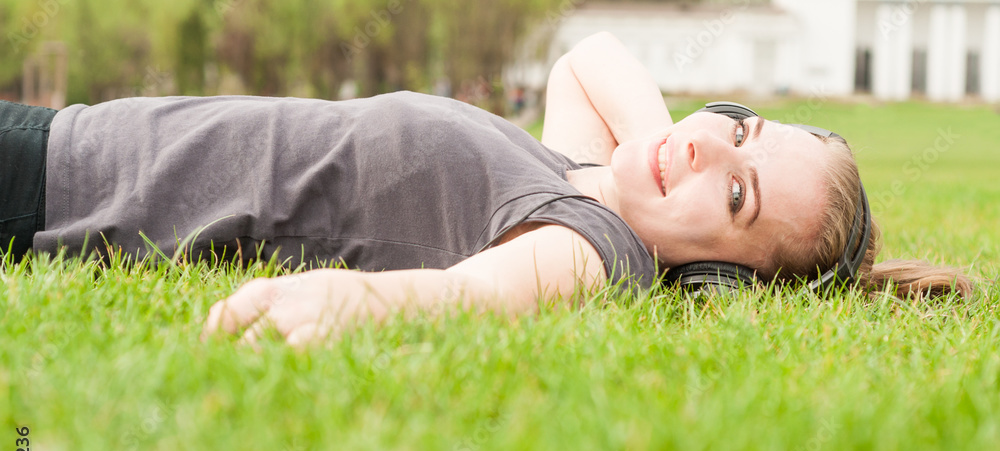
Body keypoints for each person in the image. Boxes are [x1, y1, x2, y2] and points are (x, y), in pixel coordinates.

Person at [1, 32, 971, 346]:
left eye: (736, 199)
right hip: (82, 138)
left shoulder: (596, 246)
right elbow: (589, 57)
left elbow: (470, 294)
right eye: (742, 128)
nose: (711, 150)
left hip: (66, 192)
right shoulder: (578, 174)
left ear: (719, 276)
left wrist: (346, 303)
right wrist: (664, 147)